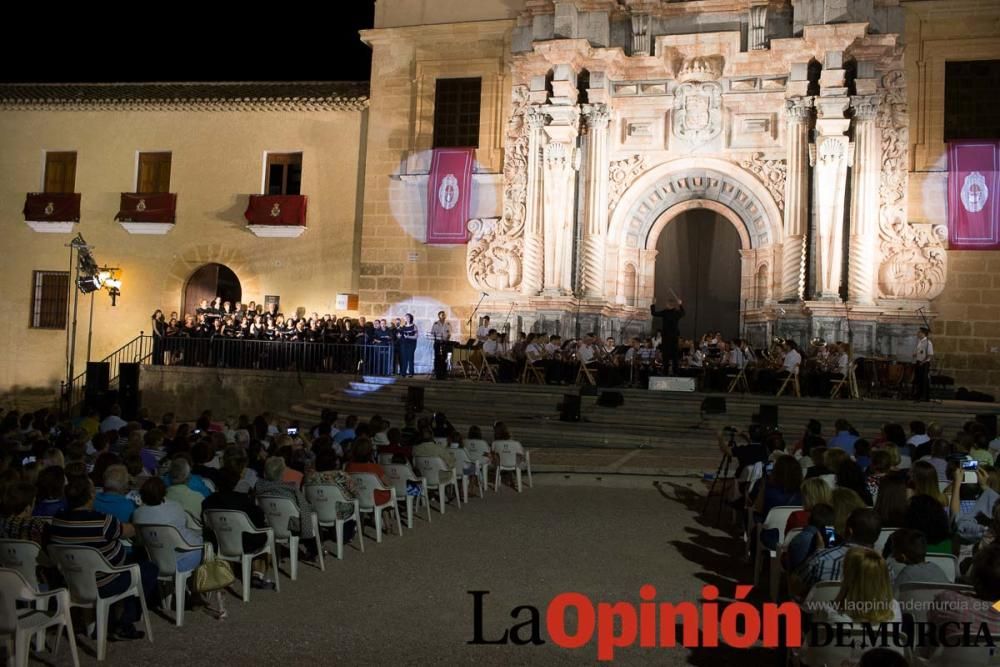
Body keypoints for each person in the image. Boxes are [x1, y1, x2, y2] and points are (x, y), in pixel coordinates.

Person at [48, 476, 156, 641]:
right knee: (148, 569)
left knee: (130, 565)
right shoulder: (103, 521)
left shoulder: (57, 520)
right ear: (91, 496)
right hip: (106, 581)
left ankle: (112, 617)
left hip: (73, 580)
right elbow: (129, 531)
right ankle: (124, 622)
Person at [202, 468, 274, 589]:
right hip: (244, 543)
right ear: (236, 483)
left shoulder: (208, 501)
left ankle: (230, 571)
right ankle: (257, 573)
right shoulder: (244, 500)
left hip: (220, 541)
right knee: (265, 535)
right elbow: (259, 520)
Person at [790, 507, 882, 599]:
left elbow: (794, 586)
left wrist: (819, 552)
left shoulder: (821, 559)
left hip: (819, 611)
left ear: (849, 531)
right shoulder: (885, 568)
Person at [131, 477, 203, 572]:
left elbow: (140, 541)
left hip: (155, 561)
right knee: (202, 541)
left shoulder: (137, 514)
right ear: (164, 492)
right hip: (183, 560)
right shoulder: (175, 507)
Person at [255, 456, 320, 561]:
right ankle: (315, 550)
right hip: (289, 527)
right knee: (311, 516)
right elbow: (304, 509)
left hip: (269, 525)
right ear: (282, 474)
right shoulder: (290, 490)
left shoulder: (259, 489)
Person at [650, 297, 684, 376]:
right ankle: (675, 372)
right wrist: (680, 304)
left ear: (669, 305)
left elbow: (654, 313)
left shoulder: (665, 312)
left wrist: (653, 304)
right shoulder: (676, 312)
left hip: (666, 337)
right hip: (674, 337)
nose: (666, 305)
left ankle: (665, 372)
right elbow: (683, 313)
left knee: (666, 356)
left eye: (667, 304)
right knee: (674, 356)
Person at [912, 326, 933, 401]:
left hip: (924, 363)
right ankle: (918, 395)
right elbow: (921, 352)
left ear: (923, 333)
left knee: (923, 380)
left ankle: (924, 396)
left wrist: (923, 362)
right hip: (919, 362)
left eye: (919, 332)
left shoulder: (928, 342)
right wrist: (916, 355)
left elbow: (930, 354)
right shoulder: (920, 342)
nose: (918, 333)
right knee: (918, 380)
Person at [431, 310, 452, 380]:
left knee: (445, 358)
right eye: (442, 315)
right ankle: (437, 374)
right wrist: (436, 338)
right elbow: (432, 333)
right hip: (437, 343)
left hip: (445, 343)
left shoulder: (448, 324)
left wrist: (446, 340)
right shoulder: (436, 324)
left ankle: (444, 374)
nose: (443, 316)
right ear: (439, 316)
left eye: (444, 315)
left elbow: (449, 334)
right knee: (437, 358)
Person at [399, 313, 418, 377]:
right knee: (404, 358)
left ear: (411, 318)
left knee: (410, 358)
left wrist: (408, 337)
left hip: (411, 344)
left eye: (408, 317)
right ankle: (403, 373)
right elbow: (400, 335)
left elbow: (416, 336)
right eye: (406, 317)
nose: (407, 318)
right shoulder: (403, 327)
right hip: (404, 344)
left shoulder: (414, 326)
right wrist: (399, 335)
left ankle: (411, 373)